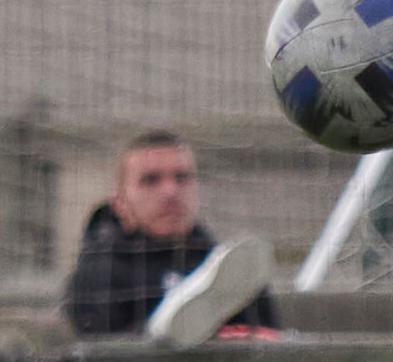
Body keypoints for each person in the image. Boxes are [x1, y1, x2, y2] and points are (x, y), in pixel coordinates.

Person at [63, 131, 277, 342]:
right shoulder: (96, 276)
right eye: (151, 180)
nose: (170, 191)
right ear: (119, 201)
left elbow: (270, 343)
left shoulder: (233, 268)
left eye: (182, 177)